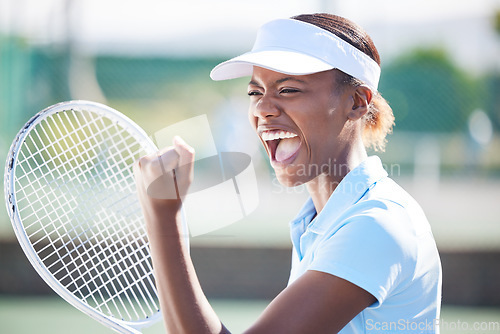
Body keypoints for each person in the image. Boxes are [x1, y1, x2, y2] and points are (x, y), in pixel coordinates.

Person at [134, 13, 442, 334]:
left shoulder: (375, 224)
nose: (263, 108)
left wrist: (163, 221)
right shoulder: (323, 219)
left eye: (289, 89)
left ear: (356, 102)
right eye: (255, 92)